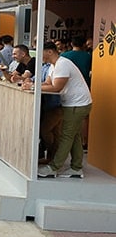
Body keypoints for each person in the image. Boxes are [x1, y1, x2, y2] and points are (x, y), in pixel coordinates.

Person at [32, 41, 92, 179]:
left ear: (50, 52)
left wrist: (33, 87)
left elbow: (56, 87)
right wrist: (33, 84)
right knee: (74, 135)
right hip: (72, 104)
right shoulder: (53, 66)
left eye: (41, 52)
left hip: (77, 104)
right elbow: (48, 83)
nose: (39, 55)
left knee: (66, 136)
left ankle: (54, 167)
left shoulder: (63, 64)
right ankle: (76, 167)